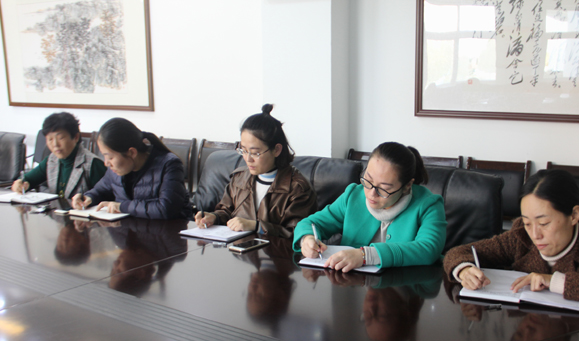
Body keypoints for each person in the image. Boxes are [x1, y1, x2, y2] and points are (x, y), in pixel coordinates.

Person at [443, 169, 579, 313]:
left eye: (544, 223)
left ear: (574, 215)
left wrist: (553, 281)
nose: (535, 234)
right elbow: (458, 252)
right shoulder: (521, 235)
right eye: (528, 223)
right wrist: (464, 270)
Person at [294, 141, 447, 270]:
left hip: (406, 288)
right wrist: (307, 239)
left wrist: (365, 255)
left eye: (384, 189)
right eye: (368, 180)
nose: (371, 193)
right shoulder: (353, 195)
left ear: (407, 185)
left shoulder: (429, 205)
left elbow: (428, 249)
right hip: (352, 287)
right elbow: (310, 223)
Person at [194, 104, 317, 238]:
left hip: (274, 251)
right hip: (239, 249)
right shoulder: (239, 178)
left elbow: (298, 234)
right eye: (243, 150)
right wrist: (214, 217)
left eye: (255, 153)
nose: (248, 159)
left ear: (276, 150)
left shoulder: (297, 188)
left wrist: (257, 226)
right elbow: (227, 212)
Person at [71, 118, 192, 220]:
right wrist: (88, 198)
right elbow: (101, 189)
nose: (106, 163)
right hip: (129, 232)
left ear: (132, 152)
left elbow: (166, 208)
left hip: (167, 234)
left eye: (110, 157)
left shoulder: (169, 164)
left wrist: (122, 206)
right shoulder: (117, 169)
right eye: (104, 156)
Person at [12, 112, 106, 198]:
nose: (55, 144)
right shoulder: (51, 160)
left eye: (60, 138)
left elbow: (106, 196)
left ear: (76, 137)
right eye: (50, 139)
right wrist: (20, 184)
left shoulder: (93, 164)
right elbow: (28, 179)